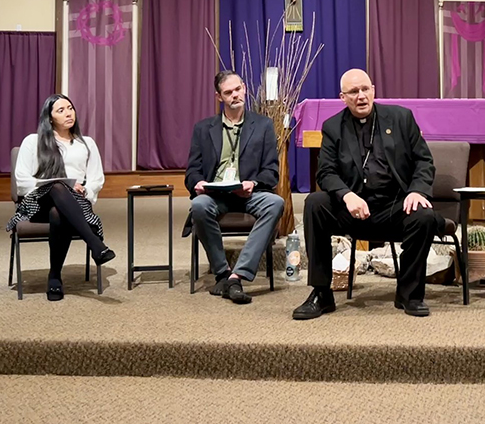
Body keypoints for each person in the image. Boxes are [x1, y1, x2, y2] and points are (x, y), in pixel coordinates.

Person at [293, 69, 441, 320]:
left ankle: (410, 294)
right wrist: (346, 195)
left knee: (424, 215)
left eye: (365, 89)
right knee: (315, 203)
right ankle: (321, 293)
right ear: (343, 97)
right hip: (353, 209)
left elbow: (424, 161)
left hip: (395, 206)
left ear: (373, 90)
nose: (361, 96)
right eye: (353, 92)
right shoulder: (333, 127)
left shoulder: (401, 118)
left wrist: (416, 190)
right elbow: (326, 172)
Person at [185, 70, 283, 304]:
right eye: (228, 92)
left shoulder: (263, 125)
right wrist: (197, 183)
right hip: (215, 194)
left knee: (276, 203)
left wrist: (253, 183)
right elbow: (192, 171)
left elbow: (271, 171)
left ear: (244, 89)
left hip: (249, 193)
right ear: (219, 97)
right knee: (198, 206)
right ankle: (223, 272)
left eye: (238, 89)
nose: (235, 96)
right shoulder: (203, 128)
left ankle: (238, 274)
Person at [8, 94, 114, 301]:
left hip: (76, 204)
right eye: (61, 110)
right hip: (38, 203)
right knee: (56, 186)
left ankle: (54, 277)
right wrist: (59, 185)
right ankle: (95, 244)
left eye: (70, 108)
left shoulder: (87, 143)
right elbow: (21, 180)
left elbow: (96, 179)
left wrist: (85, 191)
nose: (68, 113)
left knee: (58, 213)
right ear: (49, 118)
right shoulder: (32, 141)